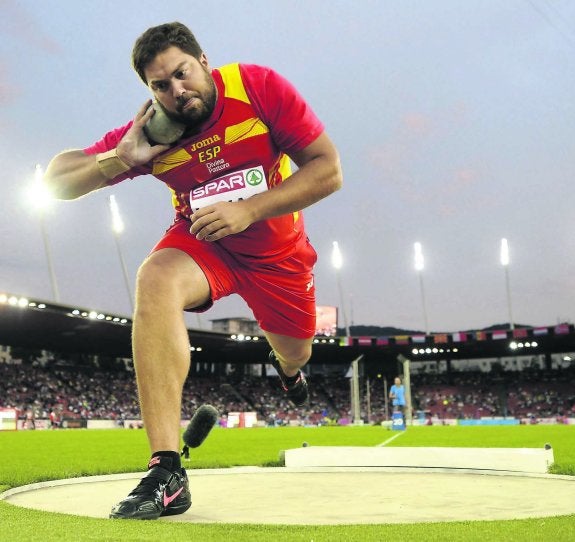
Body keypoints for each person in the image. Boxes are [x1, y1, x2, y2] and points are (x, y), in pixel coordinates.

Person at [44, 21, 342, 520]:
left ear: (204, 62)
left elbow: (327, 168)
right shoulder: (152, 131)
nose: (177, 91)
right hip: (204, 243)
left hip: (277, 254)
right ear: (151, 92)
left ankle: (288, 372)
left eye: (182, 73)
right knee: (155, 277)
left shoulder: (256, 86)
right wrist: (119, 159)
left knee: (297, 351)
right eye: (161, 85)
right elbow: (56, 182)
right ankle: (166, 470)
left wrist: (248, 211)